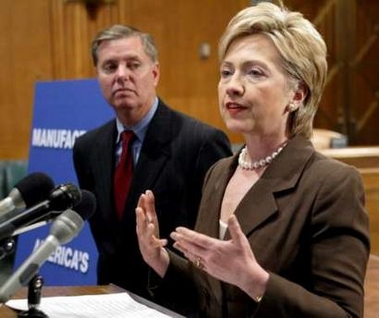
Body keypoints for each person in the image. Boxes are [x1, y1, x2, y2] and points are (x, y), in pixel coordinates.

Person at [135, 2, 370, 317]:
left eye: (254, 72)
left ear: (297, 94)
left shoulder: (331, 184)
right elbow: (212, 295)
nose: (232, 86)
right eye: (226, 72)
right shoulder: (219, 173)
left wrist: (255, 280)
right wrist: (160, 260)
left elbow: (344, 313)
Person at [72, 25, 232, 300]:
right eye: (110, 67)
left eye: (133, 64)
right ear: (98, 77)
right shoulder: (87, 147)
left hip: (176, 303)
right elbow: (108, 240)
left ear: (155, 73)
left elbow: (214, 244)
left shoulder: (201, 142)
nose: (122, 75)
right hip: (108, 301)